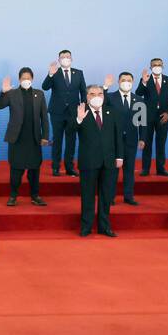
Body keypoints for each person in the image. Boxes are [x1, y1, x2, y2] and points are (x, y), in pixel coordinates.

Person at [0, 68, 49, 207]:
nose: (26, 80)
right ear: (19, 80)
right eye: (23, 78)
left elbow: (44, 118)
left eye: (28, 78)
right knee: (16, 170)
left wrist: (45, 136)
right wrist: (3, 92)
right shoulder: (12, 94)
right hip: (17, 138)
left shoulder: (39, 94)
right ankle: (13, 196)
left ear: (32, 79)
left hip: (34, 139)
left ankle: (35, 196)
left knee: (34, 170)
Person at [74, 85, 122, 237]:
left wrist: (119, 156)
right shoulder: (80, 111)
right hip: (88, 161)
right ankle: (86, 227)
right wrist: (78, 119)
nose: (97, 96)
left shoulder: (112, 111)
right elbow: (69, 131)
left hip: (109, 161)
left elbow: (118, 136)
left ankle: (104, 226)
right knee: (87, 196)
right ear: (87, 96)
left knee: (106, 196)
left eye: (100, 93)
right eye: (92, 94)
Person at [103, 71, 145, 205]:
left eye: (129, 80)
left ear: (132, 82)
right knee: (112, 171)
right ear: (119, 82)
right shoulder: (110, 97)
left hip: (131, 140)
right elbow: (100, 104)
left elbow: (142, 121)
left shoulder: (139, 99)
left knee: (129, 170)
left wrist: (142, 138)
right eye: (123, 80)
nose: (126, 82)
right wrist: (105, 88)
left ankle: (128, 196)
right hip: (114, 140)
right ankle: (109, 197)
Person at [42, 49, 86, 177]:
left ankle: (69, 167)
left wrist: (83, 106)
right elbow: (45, 87)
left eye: (68, 57)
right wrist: (50, 74)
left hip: (73, 112)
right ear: (59, 60)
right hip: (57, 112)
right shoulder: (54, 72)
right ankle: (55, 167)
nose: (65, 59)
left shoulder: (78, 73)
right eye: (63, 57)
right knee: (57, 140)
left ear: (71, 59)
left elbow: (83, 91)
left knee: (71, 140)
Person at [136, 58, 168, 177]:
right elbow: (138, 94)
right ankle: (145, 169)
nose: (157, 66)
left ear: (163, 66)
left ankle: (161, 168)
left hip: (163, 117)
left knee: (161, 143)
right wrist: (143, 82)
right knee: (146, 142)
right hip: (147, 116)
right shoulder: (145, 79)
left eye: (159, 64)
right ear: (150, 67)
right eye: (154, 65)